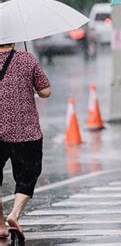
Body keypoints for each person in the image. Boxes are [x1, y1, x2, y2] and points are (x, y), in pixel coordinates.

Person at [0, 42, 51, 242]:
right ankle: (14, 214)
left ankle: (0, 225)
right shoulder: (27, 59)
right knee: (27, 176)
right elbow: (46, 91)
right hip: (25, 131)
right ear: (13, 40)